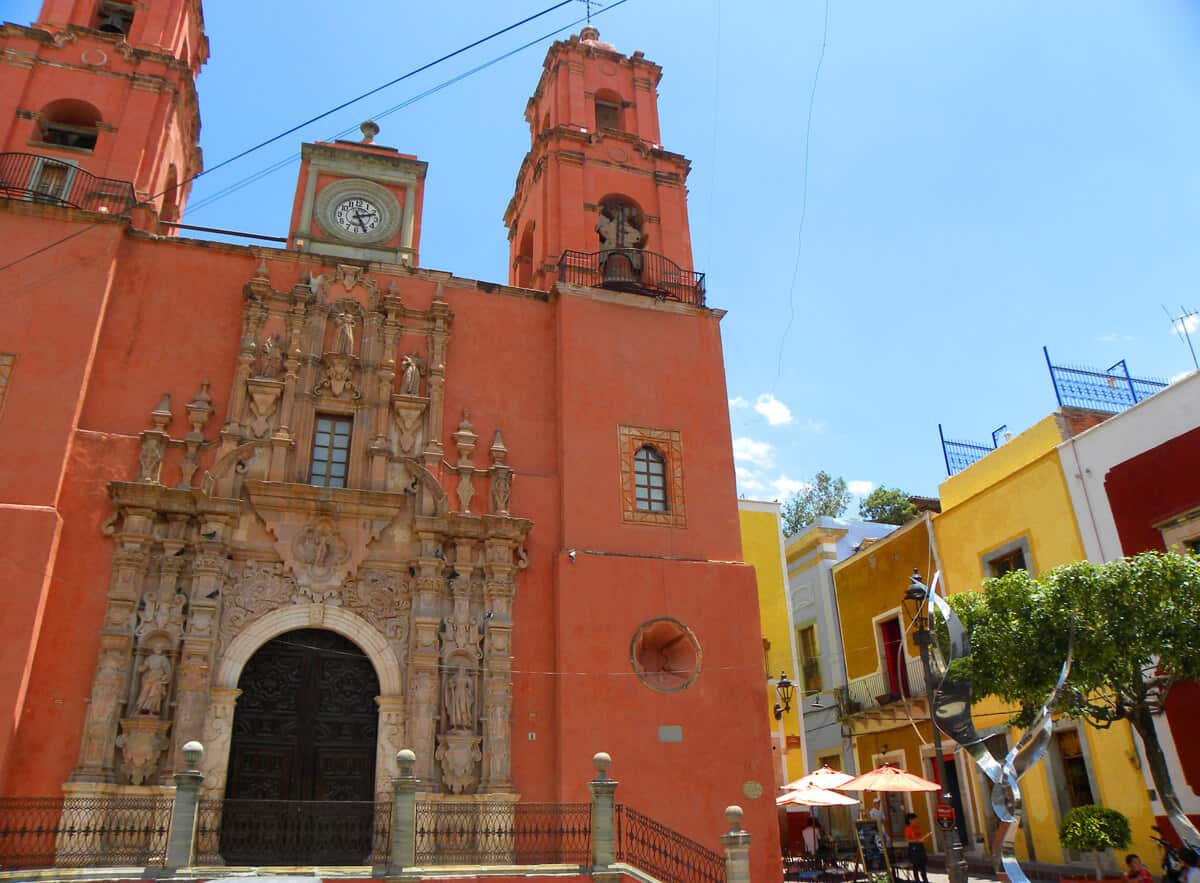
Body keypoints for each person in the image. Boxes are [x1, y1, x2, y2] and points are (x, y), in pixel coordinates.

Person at [904, 812, 931, 883]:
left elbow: (920, 836)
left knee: (922, 864)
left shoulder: (917, 827)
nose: (916, 821)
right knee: (915, 865)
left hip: (920, 846)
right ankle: (917, 880)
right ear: (910, 820)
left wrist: (923, 838)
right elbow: (908, 840)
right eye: (915, 819)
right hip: (913, 848)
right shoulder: (908, 829)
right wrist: (916, 840)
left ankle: (925, 879)